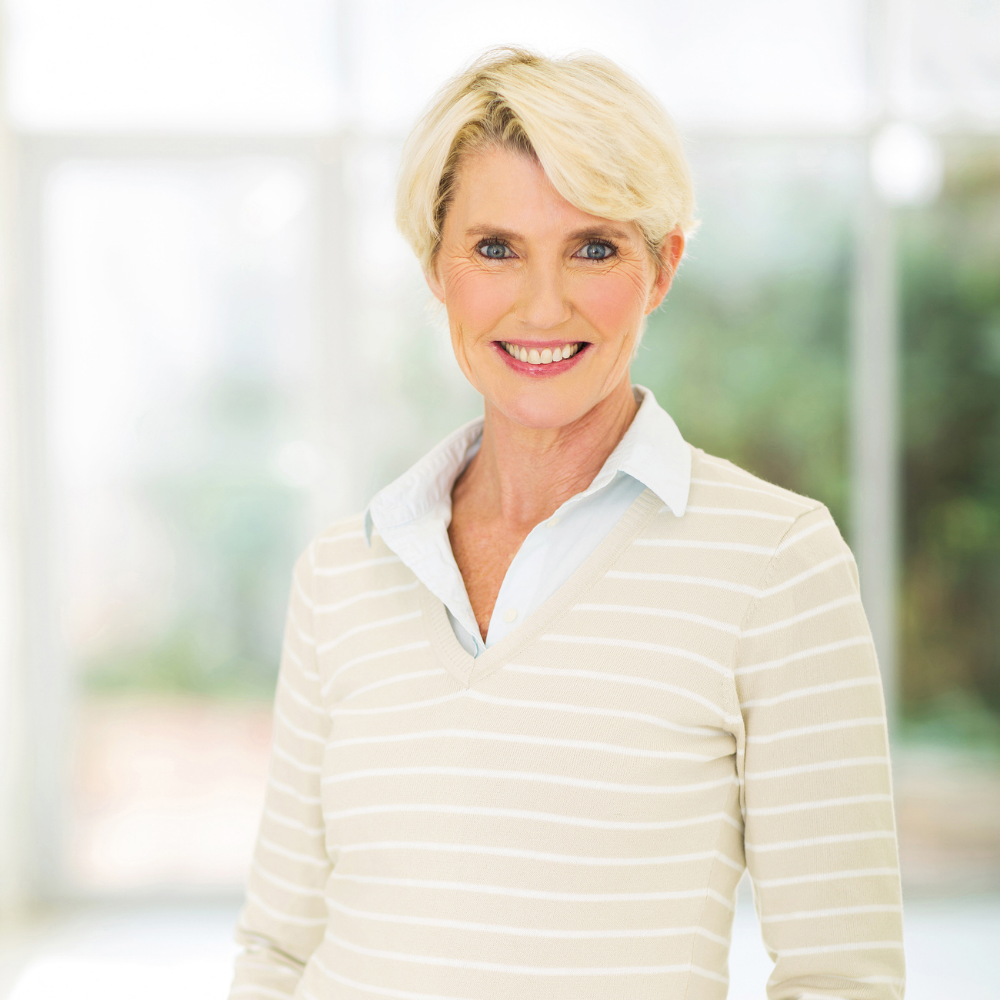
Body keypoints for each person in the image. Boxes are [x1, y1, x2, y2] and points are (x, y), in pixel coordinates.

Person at [228, 47, 904, 1000]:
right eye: (495, 248)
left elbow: (843, 975)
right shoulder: (342, 573)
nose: (543, 305)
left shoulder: (775, 564)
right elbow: (277, 952)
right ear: (436, 268)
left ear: (663, 265)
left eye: (594, 247)